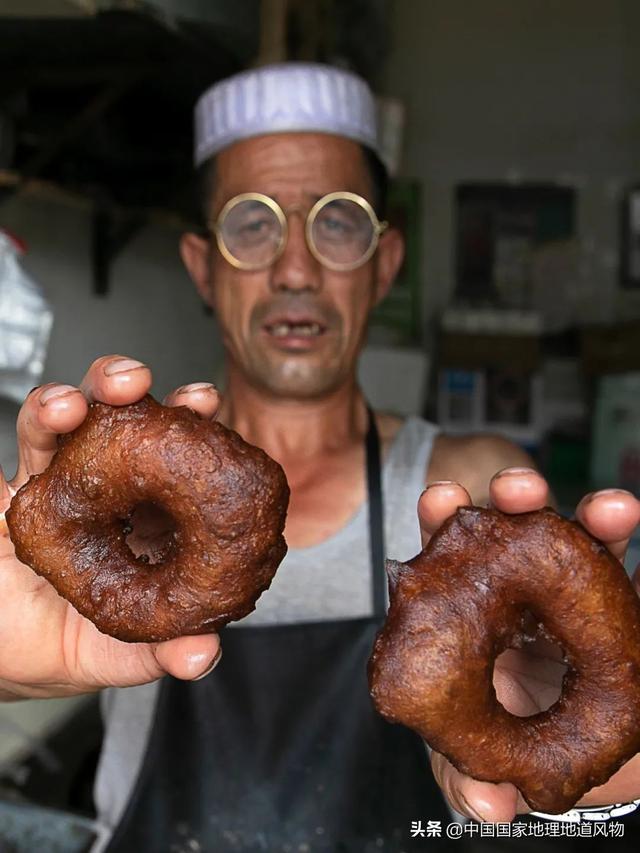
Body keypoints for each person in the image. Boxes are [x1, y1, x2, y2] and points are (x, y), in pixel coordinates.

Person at [1, 63, 639, 851]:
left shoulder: (470, 492)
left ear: (385, 262)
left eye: (337, 223)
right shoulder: (101, 501)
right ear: (203, 265)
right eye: (252, 223)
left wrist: (595, 800)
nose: (296, 267)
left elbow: (571, 825)